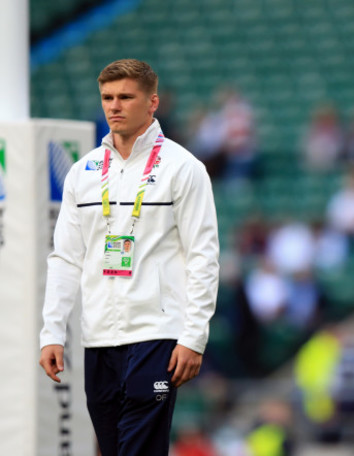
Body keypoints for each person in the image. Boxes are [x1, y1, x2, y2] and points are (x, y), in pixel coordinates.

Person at [38, 59, 220, 455]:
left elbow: (203, 256)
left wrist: (194, 336)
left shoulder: (183, 168)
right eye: (107, 97)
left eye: (125, 97)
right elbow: (65, 259)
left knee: (138, 447)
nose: (114, 106)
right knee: (112, 446)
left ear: (152, 102)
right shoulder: (82, 172)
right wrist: (52, 331)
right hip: (98, 335)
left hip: (157, 333)